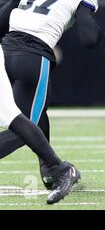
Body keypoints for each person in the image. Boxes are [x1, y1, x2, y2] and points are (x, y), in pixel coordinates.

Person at [0, 0, 101, 189]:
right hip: (33, 57)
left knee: (36, 113)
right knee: (24, 127)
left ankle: (50, 170)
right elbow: (89, 39)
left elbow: (2, 19)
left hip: (4, 51)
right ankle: (59, 169)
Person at [0, 43, 80, 204]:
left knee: (14, 117)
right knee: (18, 117)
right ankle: (53, 168)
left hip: (32, 52)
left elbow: (91, 38)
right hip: (18, 50)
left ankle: (58, 168)